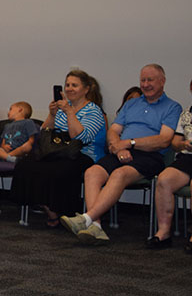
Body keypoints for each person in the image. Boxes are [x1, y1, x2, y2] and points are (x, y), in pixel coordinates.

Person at [61, 64, 182, 245]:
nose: (146, 84)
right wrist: (118, 146)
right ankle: (97, 227)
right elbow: (114, 130)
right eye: (143, 80)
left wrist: (131, 143)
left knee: (119, 174)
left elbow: (164, 140)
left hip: (150, 156)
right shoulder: (131, 104)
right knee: (92, 172)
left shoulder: (172, 107)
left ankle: (86, 219)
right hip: (121, 151)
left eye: (151, 80)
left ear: (162, 81)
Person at [11, 70, 106, 227]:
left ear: (86, 89)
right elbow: (44, 132)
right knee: (25, 165)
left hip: (83, 153)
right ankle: (49, 209)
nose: (69, 88)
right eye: (67, 85)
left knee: (58, 170)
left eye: (74, 85)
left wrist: (69, 112)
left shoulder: (94, 111)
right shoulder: (61, 108)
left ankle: (65, 212)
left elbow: (80, 137)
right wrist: (53, 115)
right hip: (58, 151)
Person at [148, 78, 192, 251]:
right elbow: (175, 141)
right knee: (164, 180)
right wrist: (183, 145)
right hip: (187, 157)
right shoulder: (187, 113)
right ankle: (164, 232)